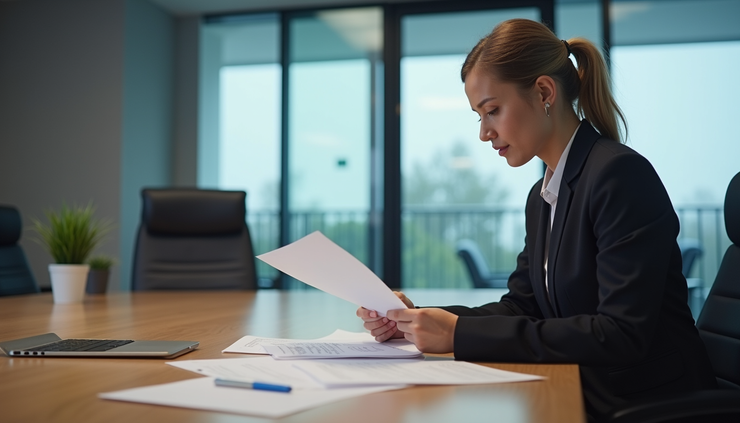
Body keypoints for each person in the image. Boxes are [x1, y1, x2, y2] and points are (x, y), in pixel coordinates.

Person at [357, 18, 716, 421]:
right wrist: (418, 319)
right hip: (588, 388)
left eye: (492, 110)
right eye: (479, 116)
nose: (484, 133)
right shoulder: (543, 194)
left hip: (646, 402)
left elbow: (620, 334)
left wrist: (458, 333)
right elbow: (523, 307)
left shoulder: (619, 176)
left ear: (544, 92)